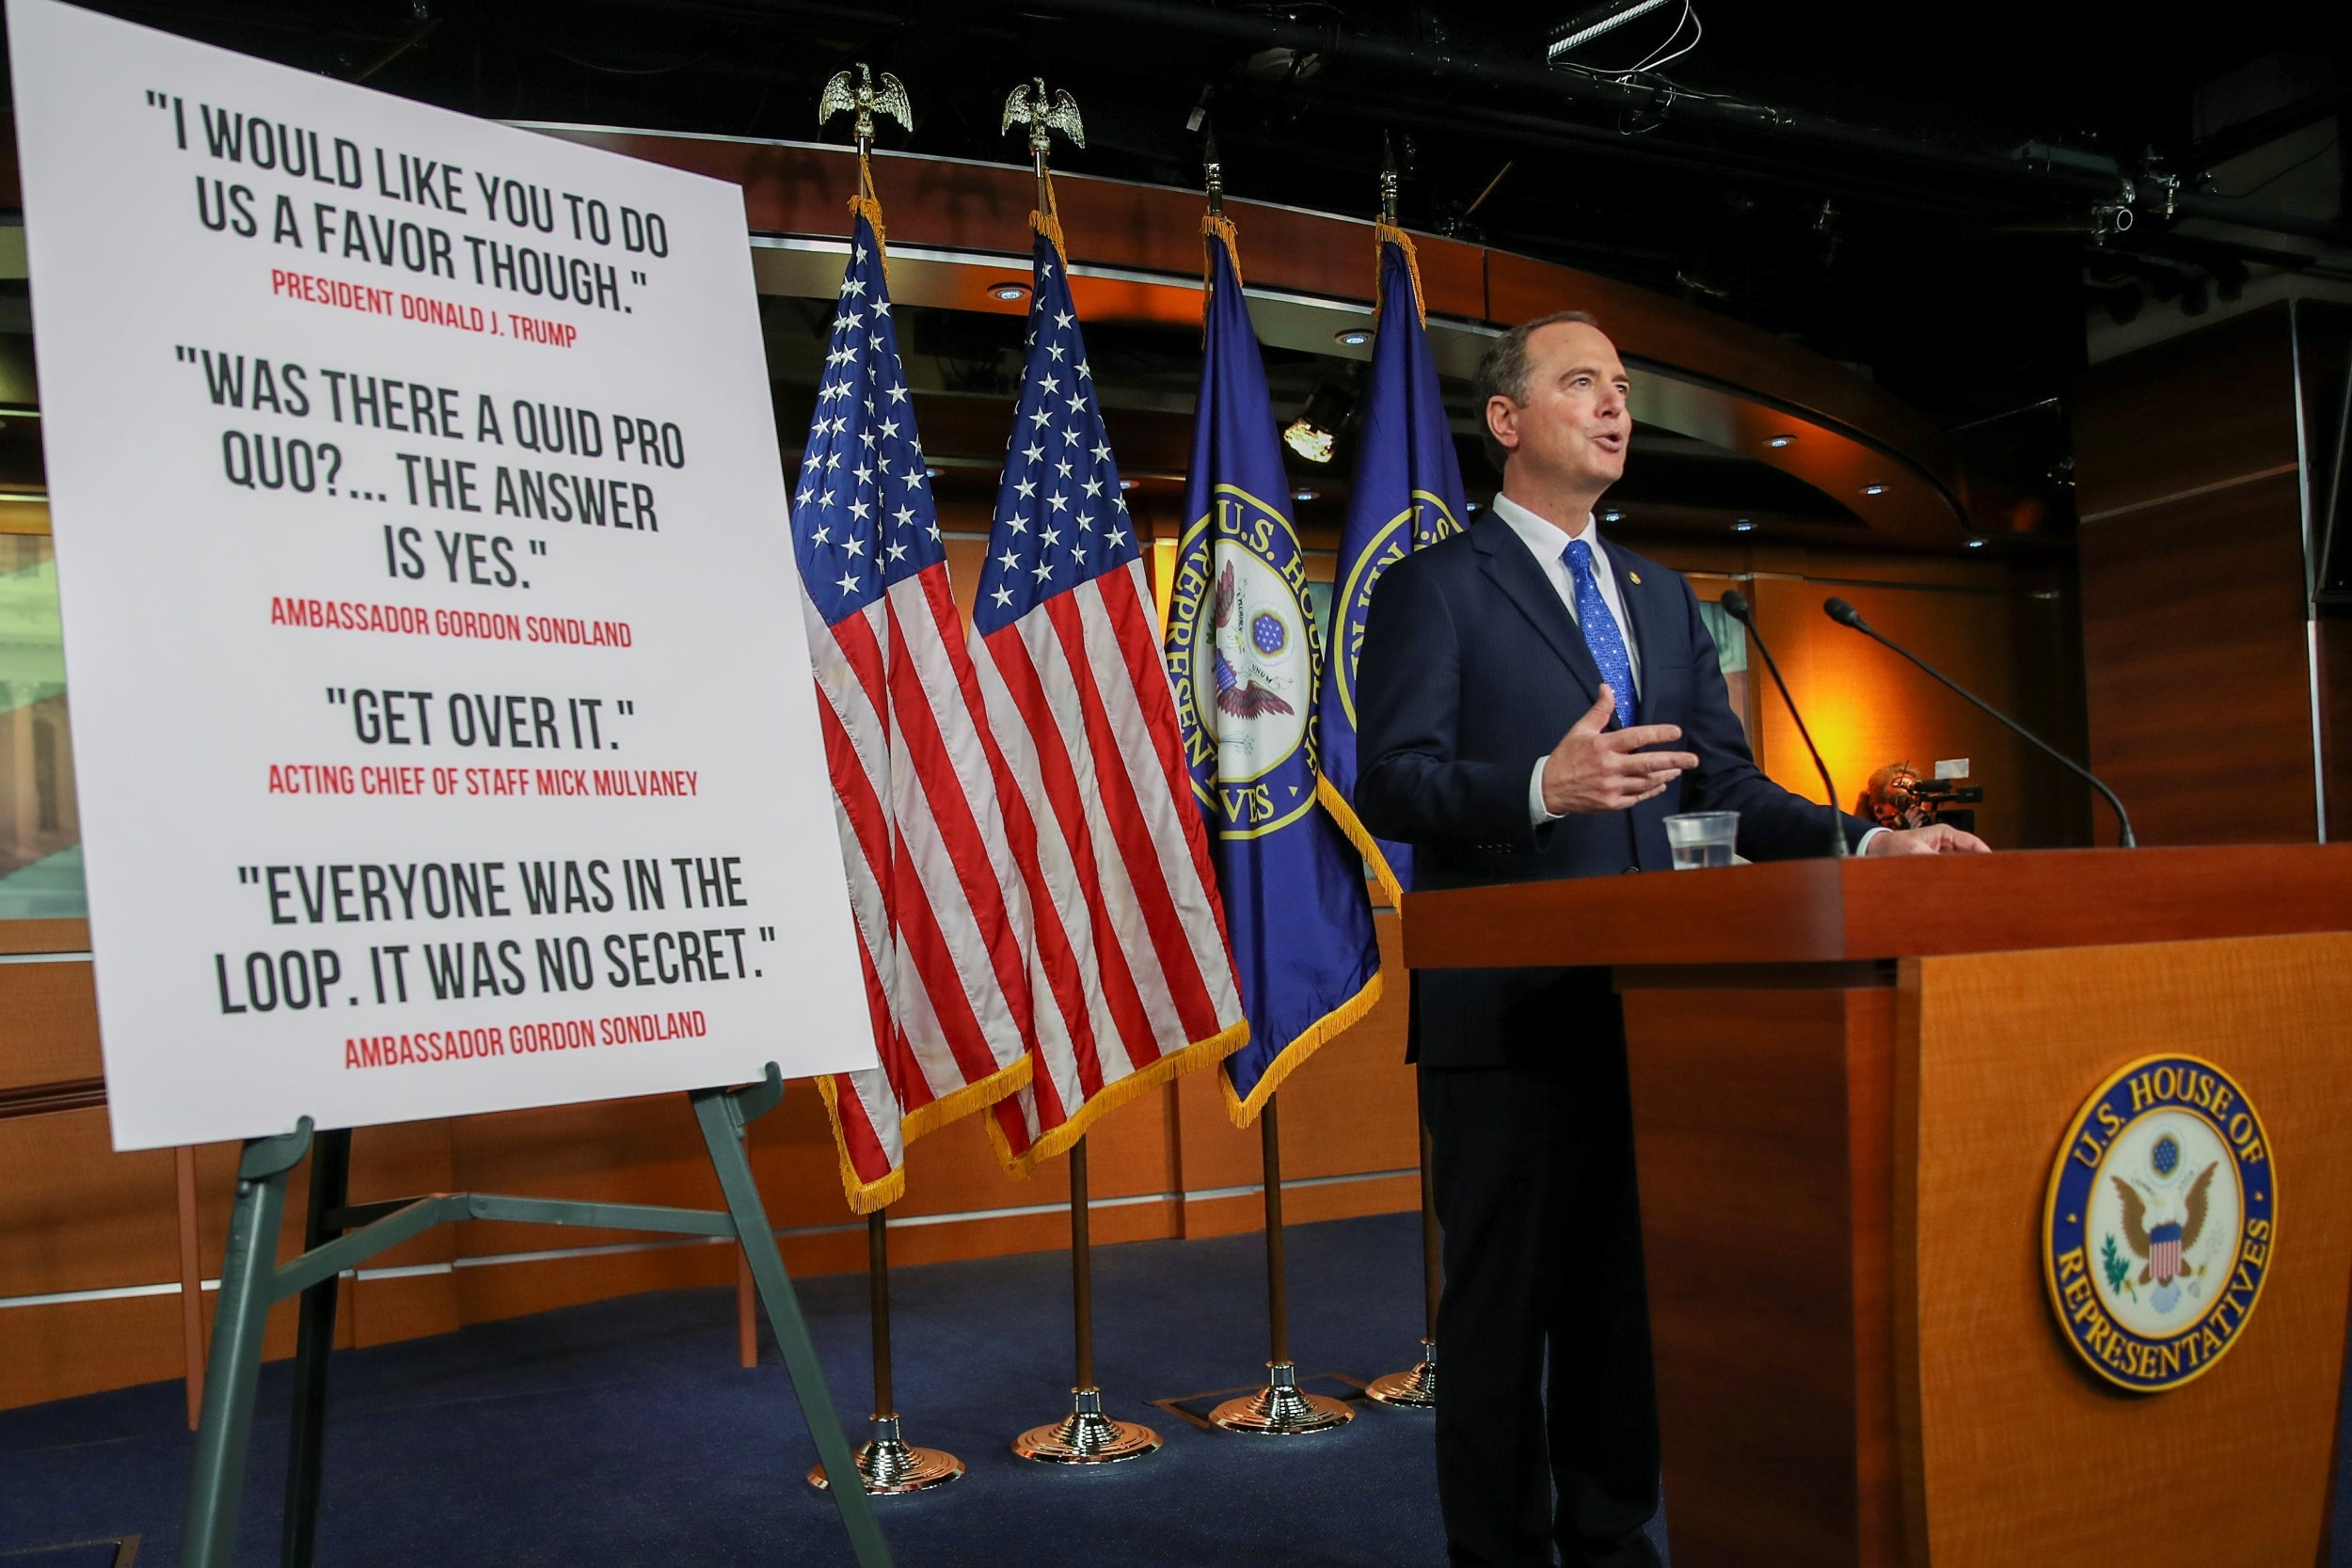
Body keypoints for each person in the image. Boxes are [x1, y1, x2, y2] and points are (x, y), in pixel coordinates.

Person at [1352, 310, 1987, 1568]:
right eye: (1582, 382)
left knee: (1626, 1307)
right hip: (1510, 1015)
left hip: (1664, 1008)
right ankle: (1498, 1551)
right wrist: (1545, 786)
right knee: (1500, 1316)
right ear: (1506, 420)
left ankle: (1611, 1529)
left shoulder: (1658, 595)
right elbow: (1393, 783)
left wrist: (1868, 849)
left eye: (1623, 388)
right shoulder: (1433, 586)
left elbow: (1726, 790)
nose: (1615, 405)